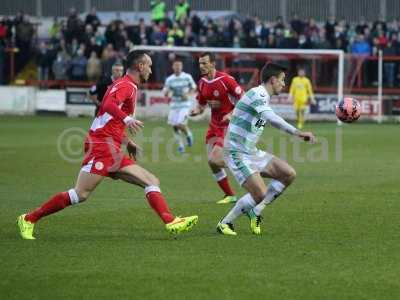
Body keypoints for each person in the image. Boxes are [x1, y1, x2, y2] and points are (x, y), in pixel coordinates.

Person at [17, 50, 198, 240]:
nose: (151, 71)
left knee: (151, 181)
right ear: (140, 66)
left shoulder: (128, 85)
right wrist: (127, 119)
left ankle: (171, 221)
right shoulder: (126, 85)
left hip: (111, 146)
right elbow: (107, 104)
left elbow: (109, 120)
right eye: (149, 66)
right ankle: (29, 219)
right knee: (80, 194)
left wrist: (127, 141)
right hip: (101, 145)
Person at [216, 63, 315, 236]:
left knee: (288, 174)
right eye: (282, 80)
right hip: (236, 152)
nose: (284, 84)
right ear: (273, 80)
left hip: (251, 151)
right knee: (260, 193)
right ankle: (225, 223)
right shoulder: (257, 94)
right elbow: (272, 118)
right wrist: (298, 133)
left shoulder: (262, 97)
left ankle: (256, 211)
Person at [190, 52, 244, 204]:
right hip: (213, 125)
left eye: (205, 63)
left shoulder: (226, 80)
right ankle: (230, 195)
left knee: (215, 159)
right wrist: (196, 111)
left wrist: (232, 114)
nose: (201, 66)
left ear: (213, 64)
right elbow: (201, 104)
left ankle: (247, 166)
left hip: (228, 125)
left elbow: (244, 99)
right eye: (200, 63)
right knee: (211, 162)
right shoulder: (201, 82)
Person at [163, 58, 196, 153]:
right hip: (174, 104)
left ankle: (189, 134)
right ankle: (181, 146)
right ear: (173, 67)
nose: (177, 67)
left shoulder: (187, 77)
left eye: (179, 65)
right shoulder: (170, 79)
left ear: (181, 67)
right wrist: (166, 92)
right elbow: (166, 91)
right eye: (176, 65)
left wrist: (188, 95)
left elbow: (193, 87)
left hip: (185, 104)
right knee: (174, 126)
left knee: (180, 123)